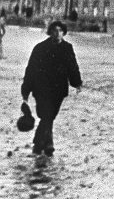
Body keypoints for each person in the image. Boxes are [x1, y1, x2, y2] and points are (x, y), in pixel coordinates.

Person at [20, 20, 83, 156]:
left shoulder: (67, 48)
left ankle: (40, 140)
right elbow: (31, 69)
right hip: (41, 88)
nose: (57, 33)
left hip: (58, 90)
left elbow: (73, 66)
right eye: (54, 31)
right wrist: (26, 90)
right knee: (46, 114)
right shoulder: (40, 48)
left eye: (60, 31)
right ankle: (47, 144)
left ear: (64, 33)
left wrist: (77, 82)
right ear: (50, 32)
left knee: (49, 115)